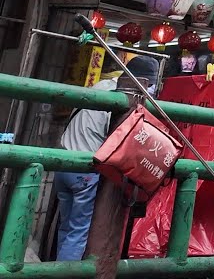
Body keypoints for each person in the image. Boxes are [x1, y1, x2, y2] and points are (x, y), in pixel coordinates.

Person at [54, 56, 160, 261]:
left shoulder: (101, 85)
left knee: (66, 226)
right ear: (144, 81)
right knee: (79, 232)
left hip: (62, 161)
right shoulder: (126, 97)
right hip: (85, 170)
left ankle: (56, 267)